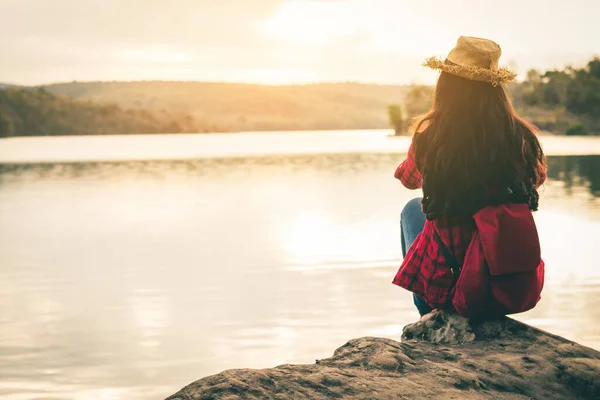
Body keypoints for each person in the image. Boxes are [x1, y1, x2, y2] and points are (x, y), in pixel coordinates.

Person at [393, 36, 547, 317]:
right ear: (496, 90)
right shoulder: (520, 137)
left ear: (446, 86)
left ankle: (429, 313)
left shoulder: (431, 136)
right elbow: (537, 179)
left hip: (447, 289)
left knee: (412, 209)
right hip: (504, 287)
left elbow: (408, 180)